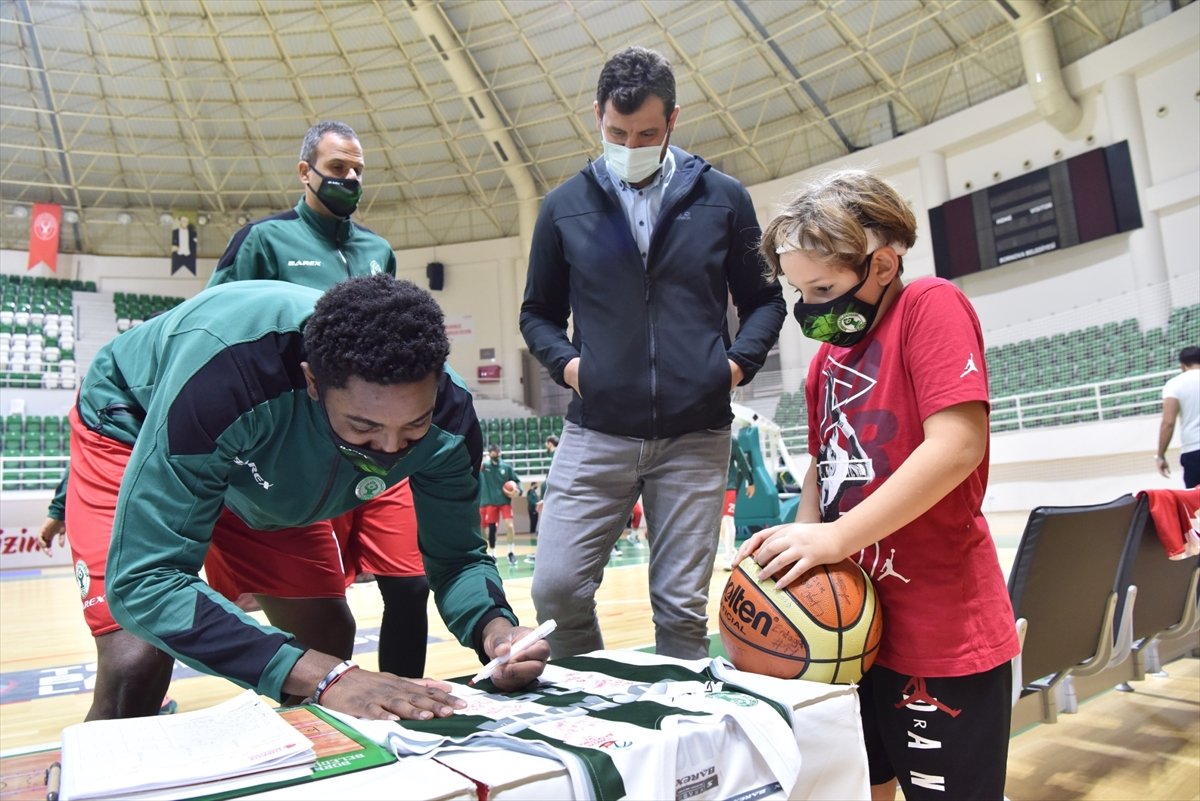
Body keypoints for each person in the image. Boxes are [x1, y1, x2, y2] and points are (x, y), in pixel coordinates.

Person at [56, 275, 546, 722]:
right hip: (134, 424)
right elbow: (145, 581)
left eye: (414, 427)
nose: (390, 451)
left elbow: (458, 557)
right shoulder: (225, 375)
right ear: (313, 381)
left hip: (261, 467)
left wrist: (496, 631)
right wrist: (327, 678)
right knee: (136, 659)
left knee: (326, 639)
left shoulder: (453, 421)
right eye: (364, 427)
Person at [741, 169, 1020, 800]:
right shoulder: (825, 361)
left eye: (823, 287)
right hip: (847, 631)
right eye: (799, 291)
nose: (809, 307)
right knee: (860, 786)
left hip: (939, 630)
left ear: (883, 265)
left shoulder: (930, 305)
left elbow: (956, 447)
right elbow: (824, 464)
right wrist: (800, 542)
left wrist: (836, 537)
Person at [520, 46, 786, 660]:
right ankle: (598, 708)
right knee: (556, 592)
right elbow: (537, 313)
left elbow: (765, 301)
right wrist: (570, 366)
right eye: (617, 132)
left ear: (672, 120)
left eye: (646, 133)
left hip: (695, 434)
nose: (631, 144)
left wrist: (734, 365)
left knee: (681, 612)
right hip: (598, 430)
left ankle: (680, 747)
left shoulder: (723, 198)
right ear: (597, 117)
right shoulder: (564, 207)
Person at [204, 120, 427, 679]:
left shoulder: (379, 250)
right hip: (296, 449)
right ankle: (320, 705)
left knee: (411, 583)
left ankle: (403, 706)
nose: (349, 179)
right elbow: (216, 327)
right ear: (306, 172)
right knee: (322, 611)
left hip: (378, 443)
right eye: (336, 169)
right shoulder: (264, 241)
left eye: (357, 170)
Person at [1156, 345, 1200, 488]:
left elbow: (1168, 423)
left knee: (1196, 505)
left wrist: (1160, 455)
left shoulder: (1174, 384)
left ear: (1182, 365)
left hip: (1194, 451)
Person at [479, 443, 522, 566]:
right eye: (492, 452)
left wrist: (517, 490)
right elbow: (475, 464)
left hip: (504, 501)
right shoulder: (485, 467)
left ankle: (511, 552)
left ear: (500, 453)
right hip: (491, 503)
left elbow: (517, 481)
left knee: (510, 526)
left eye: (497, 452)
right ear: (489, 453)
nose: (495, 454)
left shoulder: (506, 467)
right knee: (491, 529)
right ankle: (492, 553)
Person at [720, 433, 756, 570]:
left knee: (728, 520)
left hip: (727, 486)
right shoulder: (706, 438)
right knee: (721, 523)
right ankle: (729, 550)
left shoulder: (731, 440)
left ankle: (729, 554)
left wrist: (750, 481)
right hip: (714, 486)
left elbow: (742, 461)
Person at [524, 481, 540, 564]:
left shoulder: (534, 492)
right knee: (533, 522)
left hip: (535, 509)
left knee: (535, 521)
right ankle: (532, 535)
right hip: (532, 509)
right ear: (533, 485)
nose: (537, 486)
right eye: (536, 485)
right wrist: (535, 505)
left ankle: (533, 533)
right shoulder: (530, 492)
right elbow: (531, 501)